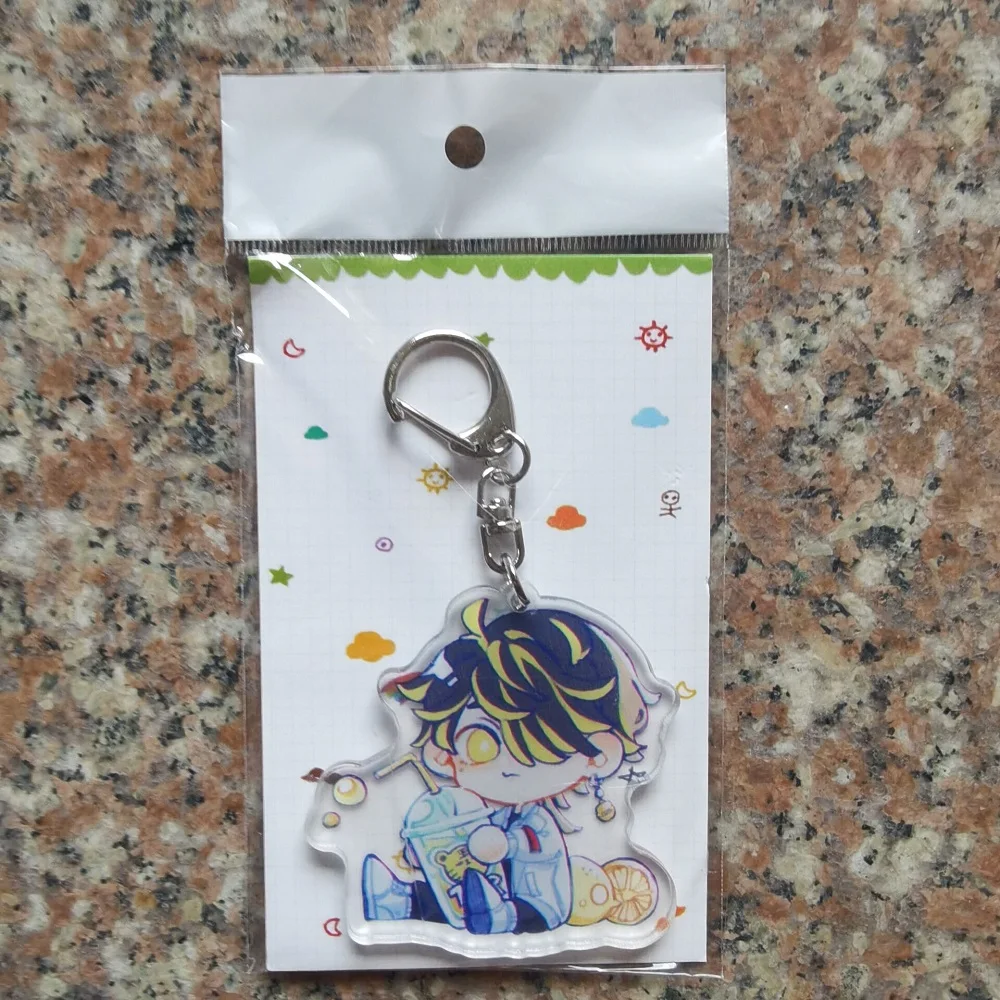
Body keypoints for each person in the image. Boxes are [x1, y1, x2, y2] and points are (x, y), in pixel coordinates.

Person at [362, 596, 659, 935]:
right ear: (442, 752)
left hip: (539, 901)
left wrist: (499, 845)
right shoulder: (470, 810)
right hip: (482, 885)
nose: (509, 766)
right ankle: (399, 899)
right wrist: (425, 851)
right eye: (481, 743)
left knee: (514, 903)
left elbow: (523, 843)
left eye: (542, 745)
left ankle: (497, 916)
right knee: (447, 891)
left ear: (598, 754)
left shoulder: (535, 821)